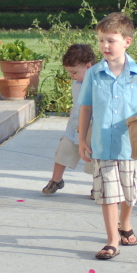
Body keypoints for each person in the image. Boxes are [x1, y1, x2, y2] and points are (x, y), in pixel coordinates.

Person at [77, 12, 137, 260]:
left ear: (127, 41)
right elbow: (86, 108)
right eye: (101, 40)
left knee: (130, 192)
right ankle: (112, 240)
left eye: (110, 40)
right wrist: (83, 139)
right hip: (102, 145)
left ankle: (125, 223)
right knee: (108, 194)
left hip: (131, 146)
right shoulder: (93, 74)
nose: (104, 45)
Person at [42, 44, 96, 198]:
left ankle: (98, 186)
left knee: (94, 157)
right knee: (64, 151)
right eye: (70, 73)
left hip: (93, 126)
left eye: (74, 72)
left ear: (88, 66)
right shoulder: (77, 82)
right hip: (75, 125)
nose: (72, 76)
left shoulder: (98, 81)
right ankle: (56, 180)